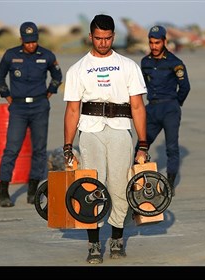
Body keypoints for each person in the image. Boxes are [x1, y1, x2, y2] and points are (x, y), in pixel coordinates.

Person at [63, 14, 149, 264]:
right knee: (92, 186)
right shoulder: (77, 69)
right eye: (98, 38)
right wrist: (68, 146)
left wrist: (143, 144)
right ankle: (93, 245)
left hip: (120, 129)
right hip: (89, 130)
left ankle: (117, 239)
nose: (103, 43)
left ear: (113, 36)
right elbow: (71, 110)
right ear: (91, 36)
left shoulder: (128, 66)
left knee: (120, 186)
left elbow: (138, 107)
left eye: (108, 38)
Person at [0, 21, 62, 207]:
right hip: (18, 109)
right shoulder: (11, 55)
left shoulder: (47, 55)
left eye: (33, 41)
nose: (31, 45)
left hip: (40, 107)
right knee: (12, 149)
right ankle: (4, 192)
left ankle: (32, 192)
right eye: (27, 41)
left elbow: (57, 76)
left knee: (39, 150)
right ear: (21, 39)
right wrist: (7, 96)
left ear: (37, 39)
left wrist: (49, 93)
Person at [135, 25, 191, 196]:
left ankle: (170, 184)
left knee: (171, 148)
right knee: (141, 146)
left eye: (157, 42)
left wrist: (175, 104)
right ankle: (136, 181)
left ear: (164, 41)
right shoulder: (145, 62)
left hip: (169, 108)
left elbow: (185, 87)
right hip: (151, 108)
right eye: (151, 42)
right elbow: (141, 84)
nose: (154, 46)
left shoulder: (175, 63)